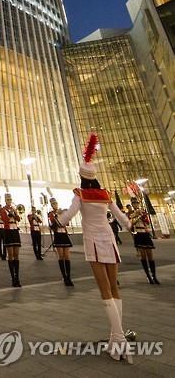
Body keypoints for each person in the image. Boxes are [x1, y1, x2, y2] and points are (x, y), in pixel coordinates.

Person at [58, 133, 133, 363]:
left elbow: (68, 216)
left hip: (93, 242)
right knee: (114, 288)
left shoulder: (80, 194)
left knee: (104, 290)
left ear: (81, 177)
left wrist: (59, 220)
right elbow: (121, 218)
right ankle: (115, 338)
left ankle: (119, 339)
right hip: (109, 240)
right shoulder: (105, 194)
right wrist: (132, 225)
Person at [129, 197, 159, 284]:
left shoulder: (143, 212)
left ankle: (154, 275)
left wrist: (142, 216)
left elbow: (147, 222)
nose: (135, 204)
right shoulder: (131, 213)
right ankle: (148, 275)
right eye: (134, 203)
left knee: (150, 255)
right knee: (143, 255)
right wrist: (137, 216)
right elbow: (131, 223)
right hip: (138, 233)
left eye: (136, 203)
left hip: (145, 233)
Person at [0, 193, 22, 287]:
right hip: (8, 231)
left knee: (16, 255)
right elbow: (4, 220)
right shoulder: (3, 210)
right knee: (11, 254)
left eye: (10, 200)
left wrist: (15, 213)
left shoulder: (13, 209)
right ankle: (13, 277)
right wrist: (9, 215)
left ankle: (17, 277)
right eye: (8, 200)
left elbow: (18, 219)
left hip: (15, 230)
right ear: (5, 201)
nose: (9, 201)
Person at [48, 198, 73, 286]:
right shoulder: (51, 214)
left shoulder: (62, 213)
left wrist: (64, 216)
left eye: (56, 203)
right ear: (51, 205)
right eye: (54, 204)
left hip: (64, 234)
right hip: (58, 235)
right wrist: (58, 216)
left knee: (67, 256)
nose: (55, 205)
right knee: (61, 256)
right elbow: (53, 225)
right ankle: (64, 276)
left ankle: (69, 276)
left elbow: (67, 223)